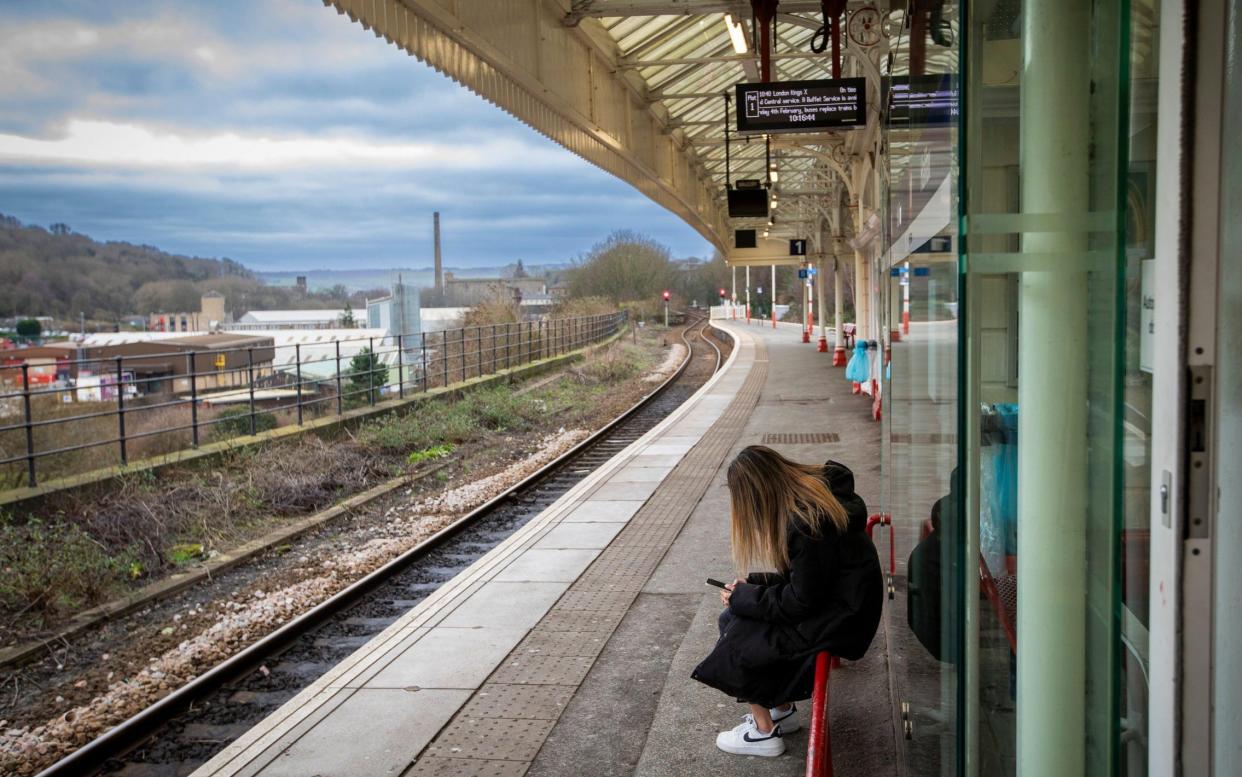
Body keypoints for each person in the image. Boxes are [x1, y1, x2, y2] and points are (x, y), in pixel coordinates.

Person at [692, 446, 883, 757]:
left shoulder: (804, 524)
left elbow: (801, 600)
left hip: (844, 619)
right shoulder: (812, 501)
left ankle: (763, 732)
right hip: (849, 605)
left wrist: (744, 598)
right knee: (742, 617)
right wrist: (753, 585)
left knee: (737, 628)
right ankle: (781, 710)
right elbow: (812, 579)